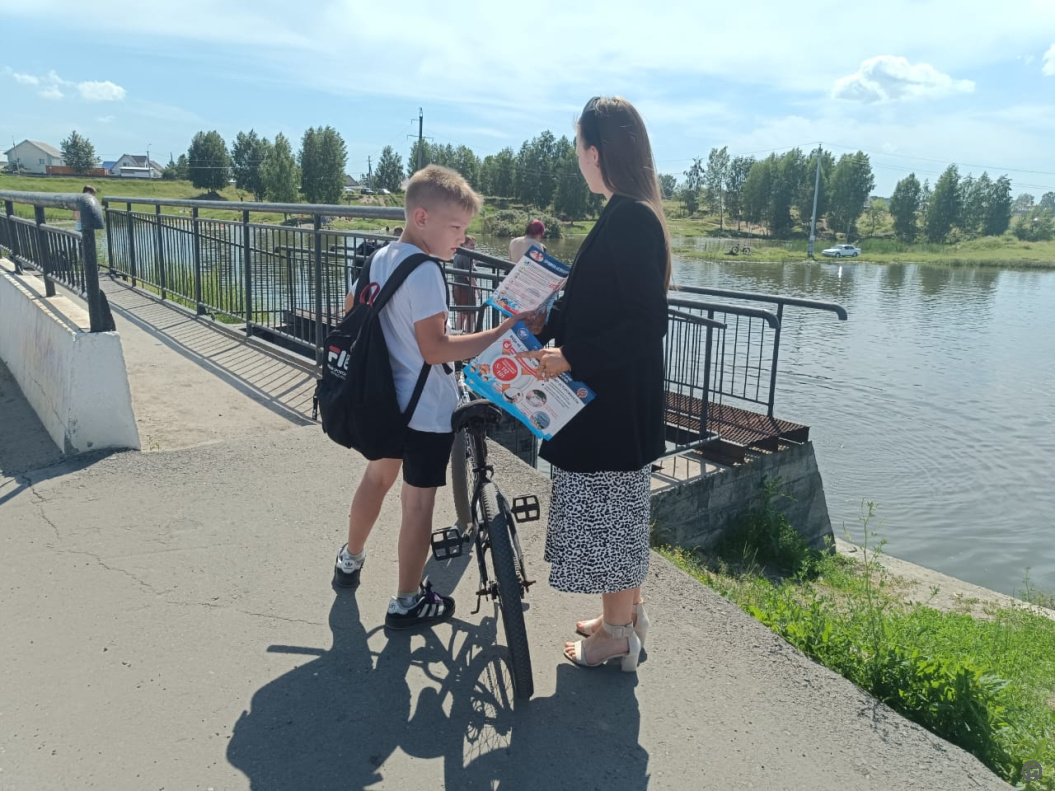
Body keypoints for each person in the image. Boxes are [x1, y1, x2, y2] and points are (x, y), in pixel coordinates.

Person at [333, 165, 526, 631]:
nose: (462, 238)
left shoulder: (378, 258)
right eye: (455, 227)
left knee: (376, 479)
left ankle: (349, 560)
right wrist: (499, 333)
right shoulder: (425, 271)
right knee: (418, 504)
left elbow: (351, 311)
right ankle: (406, 601)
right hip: (423, 409)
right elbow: (435, 349)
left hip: (383, 401)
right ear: (422, 217)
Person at [520, 96, 671, 672]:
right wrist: (551, 324)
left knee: (609, 521)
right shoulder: (626, 211)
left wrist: (571, 355)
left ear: (595, 152)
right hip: (613, 402)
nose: (577, 157)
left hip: (610, 407)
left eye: (579, 146)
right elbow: (603, 307)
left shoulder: (629, 218)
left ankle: (615, 636)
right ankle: (625, 617)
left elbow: (646, 324)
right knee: (619, 519)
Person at [451, 234, 477, 332]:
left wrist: (473, 263)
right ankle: (468, 335)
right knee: (471, 315)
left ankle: (457, 334)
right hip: (465, 289)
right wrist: (477, 289)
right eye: (471, 245)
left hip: (457, 286)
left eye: (474, 245)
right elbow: (469, 276)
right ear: (464, 244)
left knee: (461, 314)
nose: (473, 247)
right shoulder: (466, 256)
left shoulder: (457, 256)